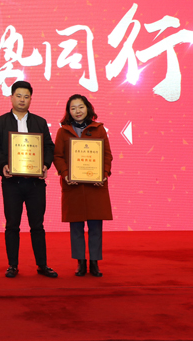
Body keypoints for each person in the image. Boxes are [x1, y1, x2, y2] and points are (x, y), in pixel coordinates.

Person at [0, 81, 58, 278]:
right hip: (12, 182)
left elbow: (49, 147)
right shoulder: (0, 122)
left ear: (30, 99)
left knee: (37, 225)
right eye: (18, 96)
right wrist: (4, 164)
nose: (22, 100)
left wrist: (45, 164)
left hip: (35, 183)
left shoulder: (40, 122)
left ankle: (42, 265)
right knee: (12, 224)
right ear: (11, 97)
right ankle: (12, 265)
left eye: (26, 97)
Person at [53, 94, 113, 277]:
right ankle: (80, 262)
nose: (77, 111)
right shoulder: (63, 131)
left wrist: (103, 174)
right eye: (73, 108)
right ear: (68, 111)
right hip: (73, 186)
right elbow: (58, 156)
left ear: (88, 108)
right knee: (76, 227)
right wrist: (65, 174)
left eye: (80, 107)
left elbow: (107, 155)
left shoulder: (99, 129)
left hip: (95, 186)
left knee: (96, 227)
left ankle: (94, 262)